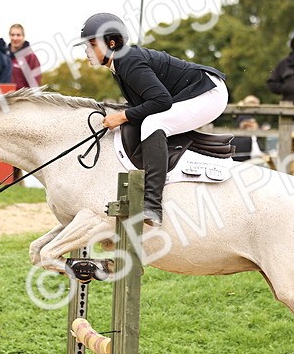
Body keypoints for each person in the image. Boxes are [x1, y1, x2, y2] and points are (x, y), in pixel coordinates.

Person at [75, 12, 228, 226]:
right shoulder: (120, 64)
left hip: (208, 93)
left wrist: (122, 116)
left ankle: (153, 205)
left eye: (92, 44)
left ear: (111, 42)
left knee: (154, 123)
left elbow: (161, 101)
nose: (87, 50)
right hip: (197, 92)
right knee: (145, 121)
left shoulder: (128, 61)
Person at [7, 23, 42, 90]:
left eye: (18, 35)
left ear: (23, 36)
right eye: (12, 35)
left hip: (22, 98)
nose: (15, 38)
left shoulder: (31, 57)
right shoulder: (4, 56)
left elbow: (35, 85)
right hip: (4, 97)